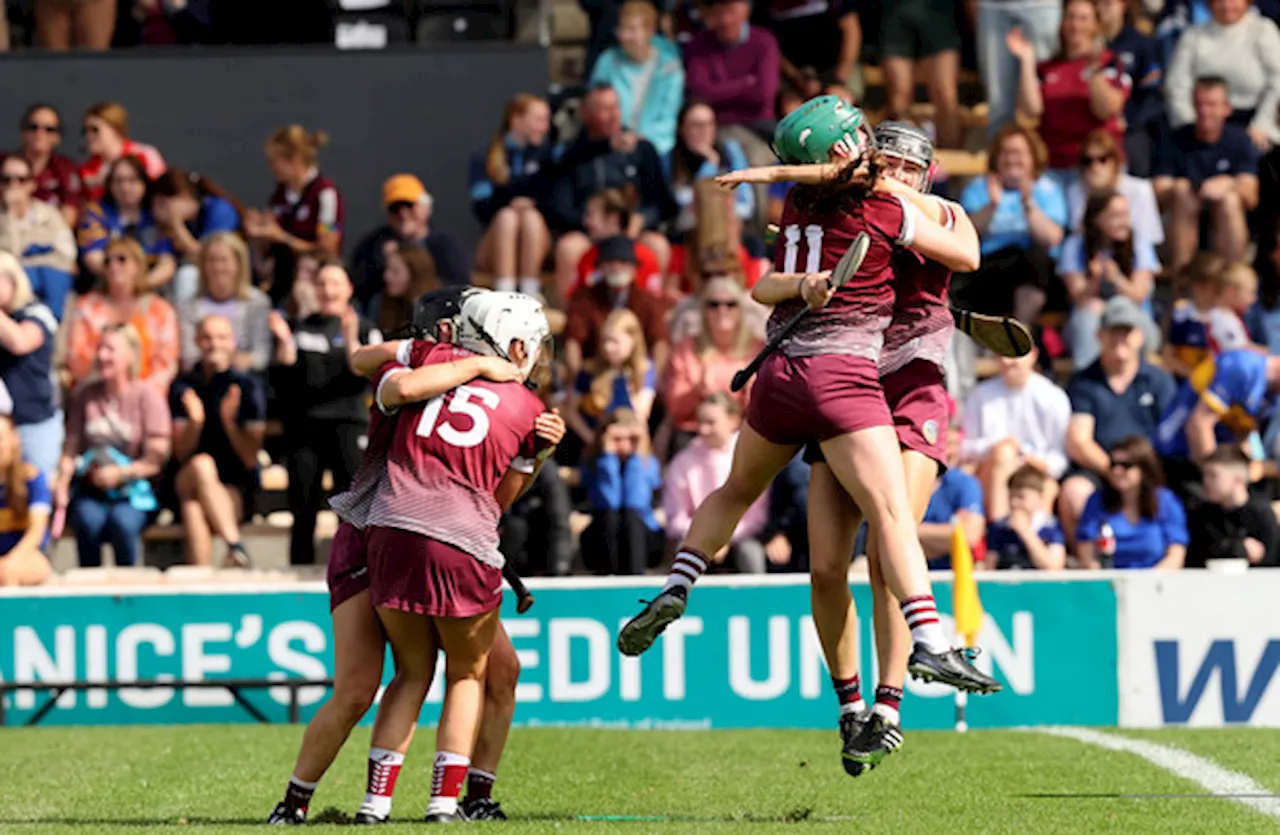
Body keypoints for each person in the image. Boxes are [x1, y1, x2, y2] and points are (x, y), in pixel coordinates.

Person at [619, 96, 997, 723]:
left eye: (906, 164)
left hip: (832, 380)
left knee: (790, 506)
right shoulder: (877, 204)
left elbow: (765, 283)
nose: (892, 169)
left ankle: (681, 583)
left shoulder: (811, 202)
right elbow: (949, 245)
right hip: (846, 383)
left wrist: (779, 214)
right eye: (882, 155)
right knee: (850, 549)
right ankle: (910, 659)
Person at [269, 289, 535, 825]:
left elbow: (491, 490)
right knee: (362, 687)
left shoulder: (468, 376)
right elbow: (375, 364)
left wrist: (536, 448)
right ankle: (297, 804)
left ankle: (459, 799)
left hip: (403, 533)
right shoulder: (430, 362)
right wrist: (481, 364)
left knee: (493, 669)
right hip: (374, 535)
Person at [360, 292, 561, 824]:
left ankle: (374, 805)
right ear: (514, 345)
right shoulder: (527, 406)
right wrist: (538, 454)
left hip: (389, 528)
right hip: (460, 542)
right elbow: (498, 502)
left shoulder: (428, 367)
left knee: (410, 673)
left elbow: (369, 366)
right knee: (467, 677)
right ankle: (448, 802)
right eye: (534, 349)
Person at [267, 264, 378, 566]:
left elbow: (365, 373)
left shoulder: (365, 327)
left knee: (351, 506)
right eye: (322, 283)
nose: (328, 291)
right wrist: (284, 343)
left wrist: (351, 337)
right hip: (305, 428)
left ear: (349, 289)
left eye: (335, 283)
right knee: (302, 508)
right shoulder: (298, 327)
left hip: (349, 424)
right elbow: (282, 378)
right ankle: (300, 574)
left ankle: (353, 571)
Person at [1061, 296, 1177, 545]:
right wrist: (1116, 470)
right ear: (1099, 335)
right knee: (1074, 491)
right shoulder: (1084, 382)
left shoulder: (1159, 381)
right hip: (1100, 469)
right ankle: (1087, 565)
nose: (1119, 339)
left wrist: (1141, 472)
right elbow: (1078, 441)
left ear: (1140, 336)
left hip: (1150, 470)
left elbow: (1170, 434)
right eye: (1113, 331)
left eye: (1126, 332)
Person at [54, 325, 171, 568]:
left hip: (134, 491)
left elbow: (155, 459)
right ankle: (89, 595)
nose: (102, 356)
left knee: (122, 523)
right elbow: (71, 447)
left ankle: (128, 594)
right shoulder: (85, 395)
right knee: (88, 521)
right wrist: (63, 483)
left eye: (111, 349)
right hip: (91, 488)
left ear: (130, 355)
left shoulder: (147, 396)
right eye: (100, 349)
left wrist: (121, 474)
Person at [546, 85, 675, 283]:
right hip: (588, 232)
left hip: (633, 231)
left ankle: (656, 308)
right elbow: (558, 207)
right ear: (586, 113)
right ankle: (568, 312)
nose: (614, 116)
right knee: (568, 247)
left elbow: (663, 204)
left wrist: (641, 219)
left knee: (658, 244)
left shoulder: (641, 149)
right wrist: (592, 222)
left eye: (616, 107)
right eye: (604, 109)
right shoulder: (572, 155)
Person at [169, 315, 266, 567]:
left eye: (221, 337)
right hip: (186, 477)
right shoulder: (183, 385)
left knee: (194, 508)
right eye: (208, 338)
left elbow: (249, 456)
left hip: (232, 484)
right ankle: (235, 545)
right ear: (197, 342)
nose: (214, 344)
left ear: (232, 342)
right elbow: (180, 453)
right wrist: (196, 423)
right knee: (202, 464)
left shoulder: (247, 385)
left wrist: (229, 423)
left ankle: (200, 590)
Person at [1007, 0, 1132, 179]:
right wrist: (1027, 60)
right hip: (1054, 165)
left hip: (1096, 166)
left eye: (1083, 18)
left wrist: (1094, 69)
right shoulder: (1047, 68)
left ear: (1096, 25)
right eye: (1070, 17)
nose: (1075, 25)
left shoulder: (1110, 62)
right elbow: (1030, 110)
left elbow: (1107, 110)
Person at [955, 124, 1067, 323]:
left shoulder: (1047, 189)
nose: (1011, 159)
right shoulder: (979, 188)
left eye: (1018, 153)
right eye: (1005, 152)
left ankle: (1020, 331)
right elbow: (964, 236)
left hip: (1035, 276)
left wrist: (1028, 204)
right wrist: (992, 206)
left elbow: (1052, 238)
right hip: (991, 268)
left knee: (1035, 259)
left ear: (1033, 157)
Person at [1154, 76, 1261, 270]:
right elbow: (1159, 191)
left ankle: (1229, 280)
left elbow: (1251, 195)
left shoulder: (1240, 140)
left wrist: (1229, 183)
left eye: (1212, 105)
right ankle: (1184, 283)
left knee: (1229, 200)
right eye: (1200, 104)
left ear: (1226, 108)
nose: (1204, 111)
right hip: (1183, 217)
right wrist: (1187, 187)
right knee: (1181, 193)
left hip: (1226, 221)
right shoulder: (1175, 140)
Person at [663, 393, 776, 573]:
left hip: (741, 539)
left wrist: (724, 538)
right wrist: (707, 539)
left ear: (733, 420)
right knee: (683, 553)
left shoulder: (752, 457)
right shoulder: (682, 462)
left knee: (751, 553)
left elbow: (757, 517)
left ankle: (758, 601)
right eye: (700, 422)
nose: (703, 429)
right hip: (696, 540)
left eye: (711, 422)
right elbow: (675, 518)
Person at [1058, 189, 1163, 368]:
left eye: (1126, 215)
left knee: (1120, 305)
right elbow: (1078, 299)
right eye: (1116, 216)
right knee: (1092, 307)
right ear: (1097, 219)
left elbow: (1138, 296)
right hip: (1089, 327)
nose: (1124, 222)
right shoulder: (1075, 246)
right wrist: (1095, 280)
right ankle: (1087, 382)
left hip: (1138, 326)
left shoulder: (1139, 244)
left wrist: (1116, 279)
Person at [63, 237, 180, 395]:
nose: (113, 266)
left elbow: (166, 362)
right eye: (107, 261)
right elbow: (77, 358)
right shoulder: (85, 307)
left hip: (148, 396)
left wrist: (140, 394)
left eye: (121, 259)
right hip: (97, 395)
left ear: (138, 266)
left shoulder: (160, 310)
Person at [659, 276, 762, 454]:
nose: (722, 310)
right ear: (703, 310)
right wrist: (698, 390)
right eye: (713, 304)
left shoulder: (758, 349)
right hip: (696, 433)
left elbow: (767, 408)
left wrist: (750, 394)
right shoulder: (686, 348)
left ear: (741, 310)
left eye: (730, 304)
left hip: (745, 433)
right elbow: (674, 407)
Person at [961, 349, 1072, 514]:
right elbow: (965, 447)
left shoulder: (1053, 397)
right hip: (991, 470)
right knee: (1004, 455)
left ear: (1033, 355)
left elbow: (1060, 457)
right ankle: (1000, 528)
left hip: (1035, 473)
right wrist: (998, 447)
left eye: (1014, 355)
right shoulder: (980, 394)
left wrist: (1036, 462)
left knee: (1043, 487)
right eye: (1001, 354)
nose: (1007, 361)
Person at [469, 95, 555, 297]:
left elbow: (555, 204)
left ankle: (531, 294)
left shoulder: (548, 157)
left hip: (538, 240)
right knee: (508, 218)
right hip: (496, 241)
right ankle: (504, 295)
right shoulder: (486, 157)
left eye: (546, 120)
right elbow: (482, 208)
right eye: (539, 120)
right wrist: (511, 204)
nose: (545, 127)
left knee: (531, 218)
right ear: (516, 120)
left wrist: (530, 205)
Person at [1164, 0, 1280, 151]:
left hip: (1254, 123)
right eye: (1220, 1)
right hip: (1203, 122)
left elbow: (1277, 80)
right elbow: (1177, 86)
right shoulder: (1193, 36)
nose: (1227, 6)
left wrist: (1262, 125)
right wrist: (1191, 128)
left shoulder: (1264, 30)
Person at [246, 126, 344, 306]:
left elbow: (328, 247)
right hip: (279, 281)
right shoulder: (279, 195)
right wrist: (260, 235)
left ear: (295, 160)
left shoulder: (325, 194)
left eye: (275, 161)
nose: (271, 167)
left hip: (313, 285)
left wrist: (282, 237)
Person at [349, 174, 470, 306]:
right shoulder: (374, 245)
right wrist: (380, 262)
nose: (403, 213)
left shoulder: (444, 245)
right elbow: (359, 285)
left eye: (409, 205)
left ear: (426, 208)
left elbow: (460, 287)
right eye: (395, 208)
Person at [588, 1, 685, 156]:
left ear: (650, 31)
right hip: (613, 145)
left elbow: (668, 116)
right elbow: (595, 106)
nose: (625, 36)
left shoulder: (669, 67)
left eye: (632, 29)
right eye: (622, 29)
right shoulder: (607, 61)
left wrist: (640, 140)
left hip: (657, 147)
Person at [1076, 436, 1189, 569]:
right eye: (1113, 464)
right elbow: (1087, 555)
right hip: (1109, 584)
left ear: (1144, 468)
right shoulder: (1097, 501)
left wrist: (1148, 583)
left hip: (1156, 583)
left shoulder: (1165, 501)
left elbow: (1176, 554)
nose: (1117, 471)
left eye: (1126, 465)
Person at [563, 235, 670, 377]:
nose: (616, 268)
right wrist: (578, 377)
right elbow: (573, 341)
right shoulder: (584, 298)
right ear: (600, 267)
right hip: (595, 374)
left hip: (637, 374)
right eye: (610, 262)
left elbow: (660, 342)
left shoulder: (647, 301)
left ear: (633, 268)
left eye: (623, 262)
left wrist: (652, 380)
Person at [0, 254, 61, 488]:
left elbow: (19, 342)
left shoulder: (37, 312)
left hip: (35, 424)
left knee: (39, 489)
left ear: (13, 281)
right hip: (4, 427)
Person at [77, 156, 178, 292]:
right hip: (107, 285)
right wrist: (120, 280)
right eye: (118, 181)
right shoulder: (96, 212)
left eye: (132, 180)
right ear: (110, 185)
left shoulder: (157, 214)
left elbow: (167, 262)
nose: (125, 187)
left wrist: (142, 285)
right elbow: (93, 258)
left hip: (151, 285)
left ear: (144, 183)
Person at [177, 232, 272, 374]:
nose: (218, 267)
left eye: (224, 260)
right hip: (201, 377)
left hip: (245, 376)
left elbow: (261, 356)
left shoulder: (257, 303)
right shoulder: (188, 306)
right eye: (211, 260)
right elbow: (188, 356)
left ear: (238, 264)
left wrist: (230, 362)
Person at [565, 308, 656, 449]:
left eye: (615, 342)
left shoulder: (645, 370)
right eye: (605, 341)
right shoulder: (589, 371)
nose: (608, 348)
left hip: (628, 444)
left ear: (633, 340)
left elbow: (641, 414)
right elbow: (571, 411)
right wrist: (591, 439)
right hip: (593, 443)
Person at [0, 153, 76, 320]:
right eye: (6, 179)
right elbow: (10, 254)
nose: (13, 185)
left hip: (50, 289)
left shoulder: (50, 215)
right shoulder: (2, 220)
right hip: (11, 298)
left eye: (21, 180)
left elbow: (67, 254)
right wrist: (10, 214)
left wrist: (33, 267)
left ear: (32, 184)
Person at [150, 169, 244, 301]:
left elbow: (208, 258)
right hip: (197, 286)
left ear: (185, 196)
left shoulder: (219, 210)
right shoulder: (179, 224)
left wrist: (176, 223)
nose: (163, 210)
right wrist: (142, 284)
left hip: (230, 280)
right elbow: (167, 262)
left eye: (165, 203)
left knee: (187, 276)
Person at [1187, 444, 1280, 567]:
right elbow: (1197, 555)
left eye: (1213, 476)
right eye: (1205, 475)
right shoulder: (1203, 515)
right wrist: (1237, 548)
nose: (1206, 482)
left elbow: (1272, 558)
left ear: (1238, 479)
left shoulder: (1260, 514)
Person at [77, 102, 167, 204]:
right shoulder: (87, 170)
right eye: (85, 130)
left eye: (94, 129)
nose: (88, 136)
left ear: (115, 128)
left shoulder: (144, 155)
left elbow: (162, 193)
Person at [0, 414, 52, 586]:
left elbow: (36, 531)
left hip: (28, 556)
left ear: (14, 439)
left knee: (7, 574)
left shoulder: (32, 478)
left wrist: (11, 562)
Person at [985, 464, 1067, 570]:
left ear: (1040, 498)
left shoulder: (1050, 527)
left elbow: (1053, 566)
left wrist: (1025, 531)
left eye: (1021, 497)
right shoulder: (999, 527)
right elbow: (990, 567)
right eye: (1011, 496)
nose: (1014, 502)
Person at [12, 103, 82, 228]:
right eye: (33, 127)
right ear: (23, 132)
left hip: (49, 237)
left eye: (49, 129)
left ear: (57, 137)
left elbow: (69, 216)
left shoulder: (65, 168)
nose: (40, 133)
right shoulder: (5, 165)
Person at [367, 243, 438, 336]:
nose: (386, 277)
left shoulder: (435, 307)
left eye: (395, 271)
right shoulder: (379, 303)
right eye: (387, 269)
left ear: (415, 274)